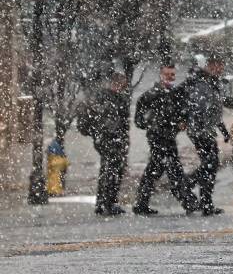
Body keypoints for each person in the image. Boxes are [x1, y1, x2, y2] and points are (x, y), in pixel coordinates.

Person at [132, 62, 199, 215]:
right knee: (172, 169)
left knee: (156, 169)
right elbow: (140, 120)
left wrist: (182, 122)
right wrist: (155, 123)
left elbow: (182, 113)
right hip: (158, 138)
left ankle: (141, 203)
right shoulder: (150, 95)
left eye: (173, 75)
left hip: (169, 137)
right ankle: (188, 201)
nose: (170, 78)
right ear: (160, 75)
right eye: (167, 75)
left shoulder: (175, 94)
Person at [180, 52, 233, 216]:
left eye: (221, 65)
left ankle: (206, 202)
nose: (220, 68)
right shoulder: (201, 82)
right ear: (208, 66)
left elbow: (214, 111)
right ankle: (188, 183)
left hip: (206, 130)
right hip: (200, 131)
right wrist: (199, 128)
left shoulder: (213, 83)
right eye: (216, 65)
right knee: (210, 163)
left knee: (210, 166)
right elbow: (198, 107)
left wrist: (223, 131)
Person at [77, 72, 130, 216]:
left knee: (109, 170)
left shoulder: (115, 99)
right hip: (109, 139)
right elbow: (91, 118)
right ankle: (108, 202)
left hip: (111, 139)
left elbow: (123, 123)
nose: (121, 87)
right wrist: (98, 133)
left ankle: (103, 202)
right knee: (112, 171)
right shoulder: (106, 99)